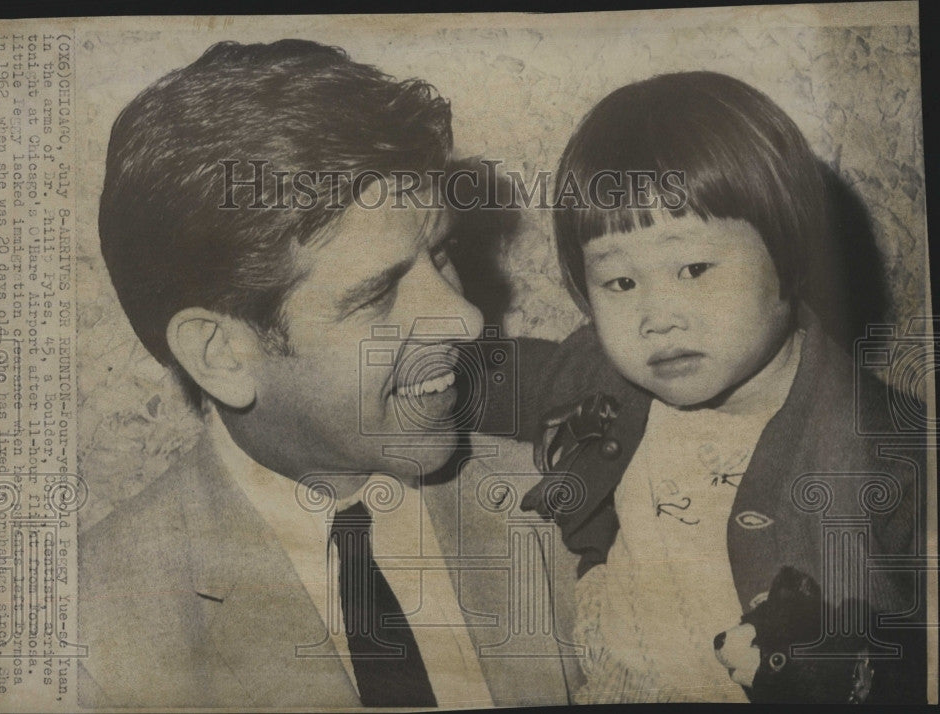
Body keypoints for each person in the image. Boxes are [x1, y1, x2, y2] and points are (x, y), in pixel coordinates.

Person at [80, 39, 572, 709]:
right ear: (221, 355)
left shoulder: (569, 498)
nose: (460, 319)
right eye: (376, 294)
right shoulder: (90, 642)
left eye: (444, 253)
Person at [505, 71, 928, 703]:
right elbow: (496, 376)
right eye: (620, 284)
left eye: (694, 268)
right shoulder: (602, 369)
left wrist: (814, 656)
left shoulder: (877, 447)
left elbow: (892, 651)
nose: (658, 317)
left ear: (790, 257)